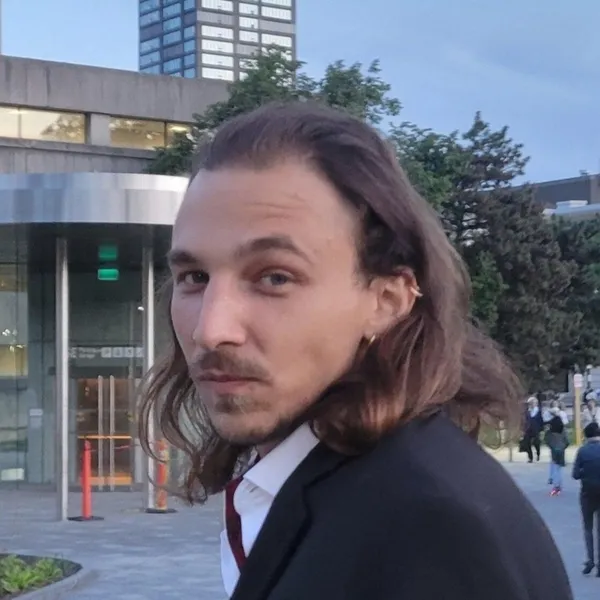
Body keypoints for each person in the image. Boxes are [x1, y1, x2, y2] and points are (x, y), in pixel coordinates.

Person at [139, 102, 572, 600]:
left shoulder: (424, 530)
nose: (211, 330)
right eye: (194, 277)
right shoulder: (335, 489)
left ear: (386, 301)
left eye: (274, 277)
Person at [573, 421, 600, 576]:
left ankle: (590, 560)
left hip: (587, 493)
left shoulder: (582, 451)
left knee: (588, 528)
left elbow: (575, 474)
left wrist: (586, 472)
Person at [545, 413, 569, 495]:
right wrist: (563, 447)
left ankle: (556, 485)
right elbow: (567, 441)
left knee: (554, 467)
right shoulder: (563, 431)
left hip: (553, 451)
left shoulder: (549, 432)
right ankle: (558, 484)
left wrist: (551, 446)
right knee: (559, 468)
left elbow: (546, 440)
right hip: (561, 451)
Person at [523, 396, 544, 462]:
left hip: (536, 429)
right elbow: (525, 420)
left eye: (533, 402)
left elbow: (541, 421)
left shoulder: (538, 411)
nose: (532, 404)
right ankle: (530, 458)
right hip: (528, 429)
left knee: (536, 443)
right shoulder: (527, 411)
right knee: (527, 443)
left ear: (536, 403)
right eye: (530, 403)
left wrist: (541, 430)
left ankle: (538, 453)